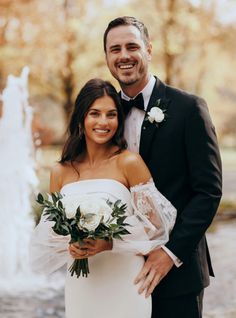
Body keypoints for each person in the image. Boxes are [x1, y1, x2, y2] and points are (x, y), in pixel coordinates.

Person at [103, 16, 222, 318]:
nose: (124, 55)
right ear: (107, 57)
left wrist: (169, 255)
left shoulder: (188, 109)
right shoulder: (103, 116)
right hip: (117, 272)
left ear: (149, 50)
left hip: (177, 274)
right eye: (114, 49)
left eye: (132, 46)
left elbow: (208, 192)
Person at [30, 78, 177, 318]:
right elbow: (49, 235)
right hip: (82, 285)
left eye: (111, 114)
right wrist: (71, 244)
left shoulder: (129, 162)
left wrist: (109, 242)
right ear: (81, 118)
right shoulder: (61, 171)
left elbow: (157, 227)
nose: (103, 122)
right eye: (94, 113)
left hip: (125, 281)